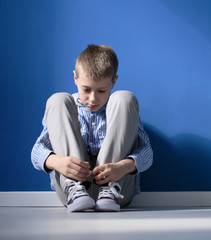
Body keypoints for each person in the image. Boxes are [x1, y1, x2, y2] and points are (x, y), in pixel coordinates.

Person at [31, 44, 153, 212]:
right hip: (71, 191)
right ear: (75, 78)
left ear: (113, 82)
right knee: (58, 99)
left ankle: (109, 190)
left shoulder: (120, 107)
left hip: (118, 191)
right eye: (86, 89)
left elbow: (147, 153)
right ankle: (75, 189)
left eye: (102, 90)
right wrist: (58, 162)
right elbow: (36, 151)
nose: (93, 98)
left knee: (125, 98)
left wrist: (123, 167)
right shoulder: (66, 107)